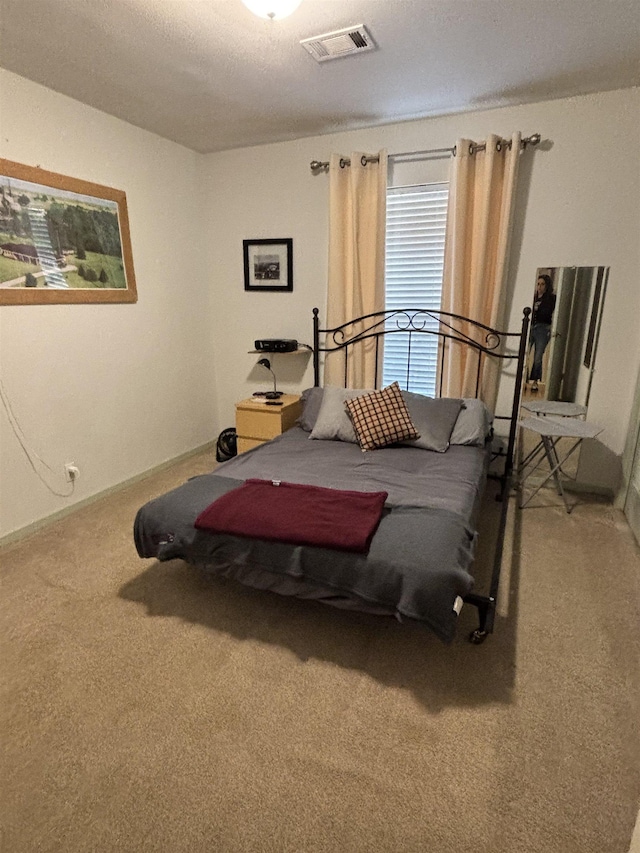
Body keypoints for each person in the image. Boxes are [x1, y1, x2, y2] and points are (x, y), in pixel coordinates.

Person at [529, 273, 556, 392]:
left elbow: (550, 313)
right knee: (525, 353)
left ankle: (535, 381)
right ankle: (523, 379)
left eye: (542, 284)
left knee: (538, 357)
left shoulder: (551, 299)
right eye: (538, 284)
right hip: (531, 327)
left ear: (547, 285)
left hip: (542, 328)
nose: (539, 287)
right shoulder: (533, 297)